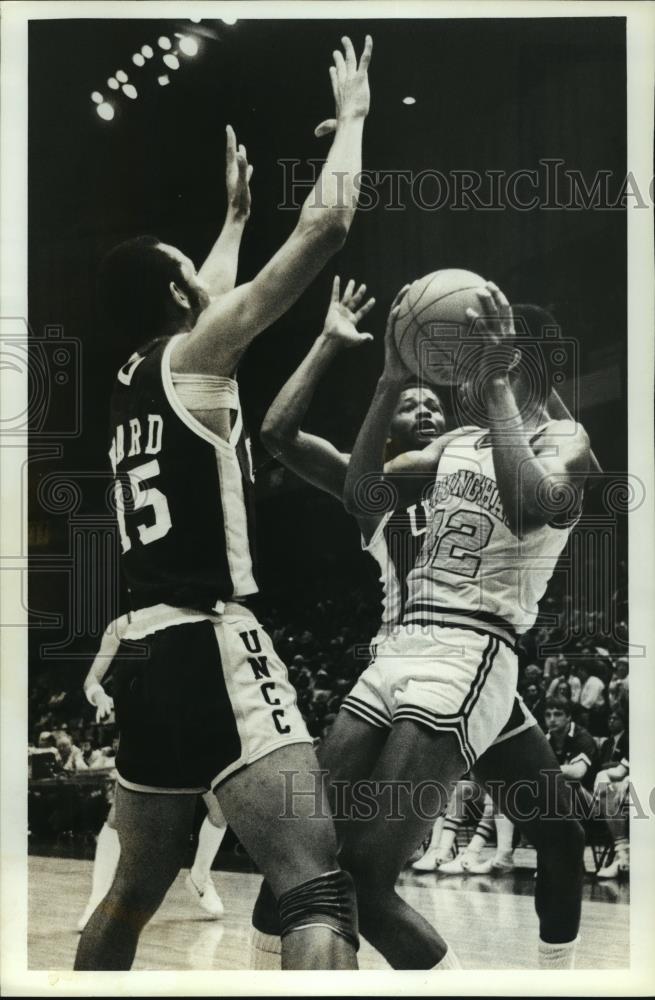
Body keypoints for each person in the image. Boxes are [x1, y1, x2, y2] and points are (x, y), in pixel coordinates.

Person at [75, 34, 373, 973]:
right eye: (192, 268)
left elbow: (202, 292)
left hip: (145, 659)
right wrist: (355, 118)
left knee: (127, 898)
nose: (212, 275)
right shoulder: (196, 359)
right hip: (213, 643)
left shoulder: (132, 387)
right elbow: (323, 233)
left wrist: (234, 217)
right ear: (178, 293)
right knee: (317, 887)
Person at [254, 280, 590, 970]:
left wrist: (506, 377)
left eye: (488, 354)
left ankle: (557, 976)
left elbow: (530, 506)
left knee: (366, 878)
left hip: (470, 654)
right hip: (402, 651)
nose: (465, 369)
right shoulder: (450, 448)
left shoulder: (567, 442)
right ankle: (266, 968)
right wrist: (388, 377)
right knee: (309, 846)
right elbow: (357, 489)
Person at [77, 617, 228, 931]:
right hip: (144, 730)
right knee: (118, 816)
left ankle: (199, 877)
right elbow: (91, 680)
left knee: (222, 809)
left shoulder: (194, 618)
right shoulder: (121, 626)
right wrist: (100, 696)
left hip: (192, 728)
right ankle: (97, 899)